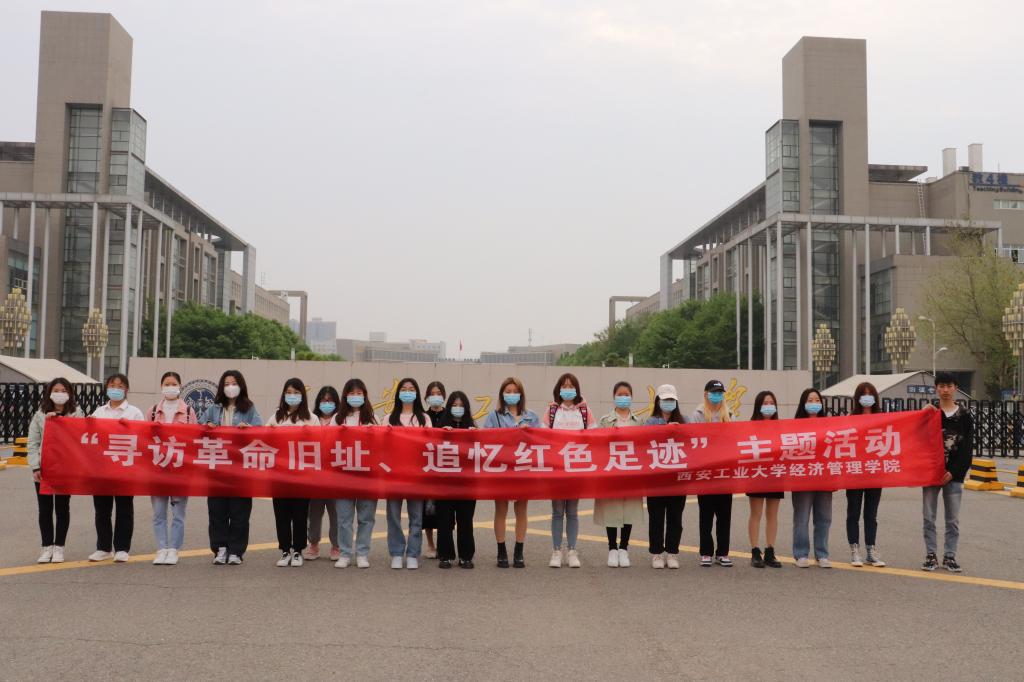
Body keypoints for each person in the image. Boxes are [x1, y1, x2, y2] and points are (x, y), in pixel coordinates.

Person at [200, 370, 262, 565]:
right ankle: (220, 549)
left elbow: (260, 432)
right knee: (217, 511)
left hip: (240, 469)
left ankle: (236, 550)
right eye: (226, 384)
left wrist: (249, 430)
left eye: (234, 383)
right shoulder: (214, 408)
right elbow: (197, 429)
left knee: (239, 513)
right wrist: (207, 427)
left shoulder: (249, 408)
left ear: (241, 385)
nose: (230, 387)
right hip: (217, 468)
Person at [483, 377, 541, 568]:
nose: (511, 395)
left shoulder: (532, 416)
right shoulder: (494, 416)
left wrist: (528, 433)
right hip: (502, 469)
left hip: (524, 469)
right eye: (507, 391)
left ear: (521, 394)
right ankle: (501, 551)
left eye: (515, 391)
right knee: (501, 509)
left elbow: (541, 442)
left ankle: (519, 551)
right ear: (502, 394)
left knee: (521, 510)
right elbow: (485, 440)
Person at [89, 373, 145, 562]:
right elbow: (89, 436)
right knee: (102, 510)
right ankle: (103, 547)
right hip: (102, 468)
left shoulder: (134, 412)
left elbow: (143, 438)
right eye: (112, 385)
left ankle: (122, 548)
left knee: (124, 509)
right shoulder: (98, 412)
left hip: (125, 468)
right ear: (106, 388)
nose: (116, 389)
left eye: (120, 386)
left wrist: (129, 428)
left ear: (126, 390)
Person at [27, 377, 83, 564]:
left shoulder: (77, 413)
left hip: (65, 469)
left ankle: (59, 547)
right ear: (49, 393)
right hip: (44, 469)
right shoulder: (40, 415)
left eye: (63, 390)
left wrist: (62, 421)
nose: (60, 394)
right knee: (44, 509)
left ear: (70, 393)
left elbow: (81, 437)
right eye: (56, 390)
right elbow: (33, 443)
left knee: (62, 508)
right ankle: (46, 547)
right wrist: (35, 466)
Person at [921, 372, 973, 573]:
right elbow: (917, 438)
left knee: (952, 520)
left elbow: (967, 449)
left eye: (949, 386)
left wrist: (953, 472)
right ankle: (931, 555)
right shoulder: (931, 413)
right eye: (941, 386)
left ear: (955, 388)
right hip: (930, 474)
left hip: (954, 476)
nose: (945, 390)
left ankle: (950, 556)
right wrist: (921, 414)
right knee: (929, 517)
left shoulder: (965, 416)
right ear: (936, 388)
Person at [146, 371, 198, 566]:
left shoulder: (188, 411)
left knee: (178, 514)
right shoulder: (152, 411)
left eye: (173, 383)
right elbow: (143, 438)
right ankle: (161, 549)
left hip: (179, 470)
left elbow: (194, 440)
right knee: (158, 513)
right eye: (167, 384)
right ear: (161, 387)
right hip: (158, 470)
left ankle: (174, 549)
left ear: (180, 386)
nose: (170, 387)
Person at [266, 378, 319, 567]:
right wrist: (271, 432)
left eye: (296, 392)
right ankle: (285, 550)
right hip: (280, 475)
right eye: (288, 392)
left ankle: (298, 550)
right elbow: (263, 440)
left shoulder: (311, 418)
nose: (292, 396)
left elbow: (320, 443)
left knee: (300, 514)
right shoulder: (276, 417)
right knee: (281, 514)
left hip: (302, 476)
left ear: (302, 395)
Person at [546, 373, 595, 568]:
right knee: (557, 511)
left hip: (576, 468)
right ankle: (556, 551)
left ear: (577, 389)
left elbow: (595, 436)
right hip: (557, 468)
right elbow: (541, 436)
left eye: (571, 386)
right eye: (564, 386)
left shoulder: (584, 410)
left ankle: (572, 551)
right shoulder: (552, 410)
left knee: (572, 511)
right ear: (559, 389)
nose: (568, 389)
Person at [596, 381, 644, 568]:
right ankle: (612, 548)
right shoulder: (605, 420)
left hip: (631, 471)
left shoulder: (639, 421)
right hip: (612, 470)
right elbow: (598, 445)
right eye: (620, 394)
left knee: (628, 510)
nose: (623, 397)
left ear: (631, 397)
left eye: (627, 394)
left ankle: (624, 548)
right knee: (611, 509)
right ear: (614, 397)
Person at [385, 378, 432, 569]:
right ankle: (396, 552)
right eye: (404, 389)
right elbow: (382, 446)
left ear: (417, 393)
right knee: (393, 516)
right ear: (398, 393)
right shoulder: (389, 418)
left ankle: (413, 553)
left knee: (416, 517)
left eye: (411, 389)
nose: (407, 392)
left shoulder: (424, 418)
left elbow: (430, 445)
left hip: (416, 475)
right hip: (394, 475)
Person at [334, 378, 378, 569]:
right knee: (344, 518)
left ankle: (362, 553)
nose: (355, 397)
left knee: (366, 518)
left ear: (365, 396)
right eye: (352, 393)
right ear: (345, 396)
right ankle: (344, 553)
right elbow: (326, 443)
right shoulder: (337, 418)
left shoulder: (372, 418)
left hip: (367, 475)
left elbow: (380, 445)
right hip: (343, 476)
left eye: (359, 393)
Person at [691, 379, 734, 568]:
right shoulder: (698, 414)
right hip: (705, 472)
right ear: (706, 393)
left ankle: (723, 553)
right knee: (706, 515)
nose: (717, 395)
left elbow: (734, 440)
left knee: (724, 515)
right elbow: (693, 440)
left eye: (719, 393)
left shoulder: (729, 414)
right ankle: (706, 552)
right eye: (714, 392)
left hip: (724, 472)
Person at [645, 384, 687, 569]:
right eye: (665, 399)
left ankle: (672, 552)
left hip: (677, 477)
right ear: (658, 401)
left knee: (675, 517)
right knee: (656, 517)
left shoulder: (684, 421)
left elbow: (692, 443)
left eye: (671, 399)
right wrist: (664, 430)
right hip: (656, 477)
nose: (668, 402)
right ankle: (656, 553)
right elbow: (644, 443)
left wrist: (679, 430)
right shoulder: (650, 422)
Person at [434, 390, 477, 569]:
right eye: (454, 405)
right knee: (444, 520)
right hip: (444, 483)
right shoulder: (440, 427)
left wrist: (475, 436)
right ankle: (445, 555)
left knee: (465, 520)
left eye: (461, 405)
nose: (458, 408)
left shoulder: (473, 427)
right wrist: (441, 435)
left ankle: (466, 556)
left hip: (467, 484)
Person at [791, 388, 833, 569]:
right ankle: (801, 554)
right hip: (802, 477)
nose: (814, 403)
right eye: (810, 400)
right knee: (802, 517)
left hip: (824, 476)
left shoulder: (829, 425)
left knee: (824, 517)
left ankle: (822, 554)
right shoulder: (795, 426)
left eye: (817, 400)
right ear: (803, 403)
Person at [846, 381, 886, 568]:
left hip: (874, 472)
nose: (867, 397)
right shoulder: (850, 418)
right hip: (855, 472)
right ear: (857, 398)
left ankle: (871, 549)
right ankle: (855, 549)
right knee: (853, 513)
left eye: (870, 394)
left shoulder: (882, 418)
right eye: (863, 394)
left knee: (871, 514)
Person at [304, 385, 343, 562]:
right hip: (314, 476)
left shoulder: (340, 420)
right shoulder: (311, 419)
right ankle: (313, 544)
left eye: (330, 400)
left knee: (336, 514)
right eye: (323, 400)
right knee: (314, 513)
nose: (327, 403)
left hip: (335, 475)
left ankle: (336, 546)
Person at [746, 390, 783, 569]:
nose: (769, 406)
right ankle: (755, 551)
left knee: (772, 515)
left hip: (775, 473)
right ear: (758, 406)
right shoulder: (751, 426)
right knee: (756, 513)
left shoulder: (781, 427)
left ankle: (770, 550)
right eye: (765, 403)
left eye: (771, 403)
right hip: (757, 473)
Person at [421, 380, 447, 559]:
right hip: (427, 469)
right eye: (432, 394)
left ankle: (444, 543)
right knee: (428, 509)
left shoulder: (449, 415)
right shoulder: (423, 417)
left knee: (445, 509)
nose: (435, 396)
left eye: (439, 393)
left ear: (444, 396)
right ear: (426, 397)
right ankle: (430, 544)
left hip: (446, 469)